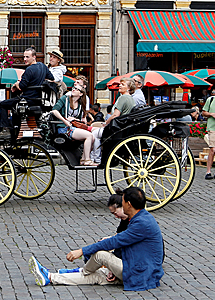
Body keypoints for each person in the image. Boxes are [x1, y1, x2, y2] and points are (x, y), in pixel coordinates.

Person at [29, 187, 164, 291]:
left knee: (100, 255)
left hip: (139, 273)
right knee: (97, 276)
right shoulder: (141, 218)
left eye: (122, 200)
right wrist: (113, 268)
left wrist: (82, 251)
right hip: (137, 268)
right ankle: (51, 277)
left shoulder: (142, 223)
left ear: (128, 204)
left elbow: (114, 242)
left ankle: (83, 270)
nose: (121, 203)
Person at [0, 47, 55, 140]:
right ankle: (14, 130)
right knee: (13, 107)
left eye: (27, 57)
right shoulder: (43, 66)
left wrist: (16, 84)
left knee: (3, 105)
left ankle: (5, 130)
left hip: (27, 99)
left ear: (34, 57)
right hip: (38, 100)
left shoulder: (29, 70)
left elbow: (22, 86)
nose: (25, 59)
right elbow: (52, 78)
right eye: (24, 57)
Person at [90, 78, 136, 164]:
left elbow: (115, 115)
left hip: (117, 128)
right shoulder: (131, 98)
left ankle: (96, 158)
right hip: (123, 127)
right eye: (120, 84)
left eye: (123, 84)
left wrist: (106, 123)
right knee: (95, 129)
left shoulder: (123, 98)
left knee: (94, 134)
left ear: (129, 88)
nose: (120, 85)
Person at [51, 85, 97, 166]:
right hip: (63, 128)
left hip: (73, 127)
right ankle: (87, 160)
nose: (73, 90)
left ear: (81, 94)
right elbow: (54, 110)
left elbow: (79, 119)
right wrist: (64, 120)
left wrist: (74, 119)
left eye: (76, 89)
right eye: (73, 88)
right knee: (89, 136)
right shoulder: (65, 99)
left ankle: (83, 159)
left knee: (93, 136)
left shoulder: (80, 105)